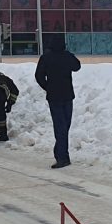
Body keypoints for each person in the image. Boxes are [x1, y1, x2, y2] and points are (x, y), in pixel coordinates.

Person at [34, 35, 81, 169]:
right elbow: (77, 66)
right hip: (67, 95)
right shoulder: (66, 56)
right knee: (64, 126)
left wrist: (47, 87)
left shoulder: (46, 58)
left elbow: (38, 76)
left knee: (61, 127)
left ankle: (61, 155)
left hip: (55, 96)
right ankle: (62, 157)